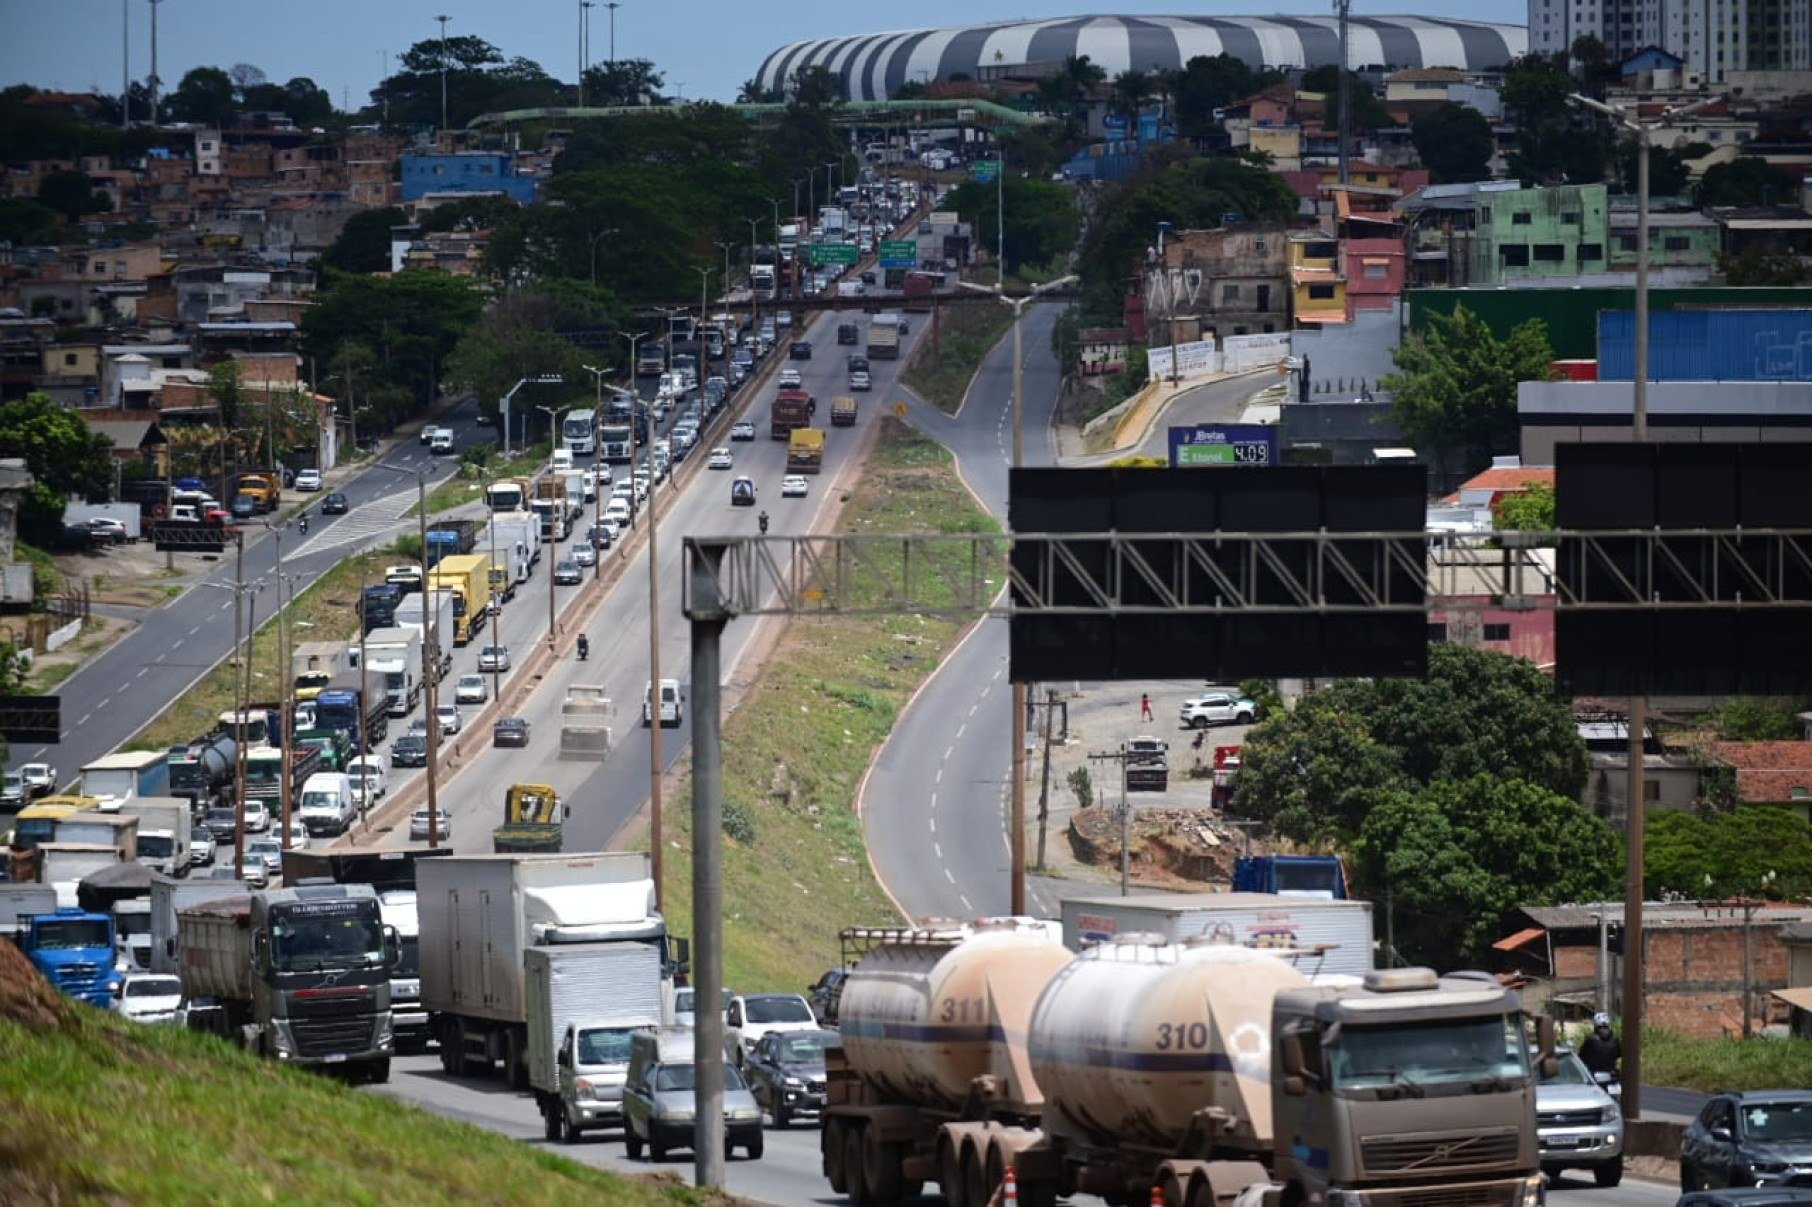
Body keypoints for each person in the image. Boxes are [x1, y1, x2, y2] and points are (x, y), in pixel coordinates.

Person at [1578, 1012, 1621, 1078]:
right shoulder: (1615, 1039)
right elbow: (1620, 1054)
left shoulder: (1590, 1039)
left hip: (1594, 1074)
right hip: (1611, 1073)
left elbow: (1581, 1056)